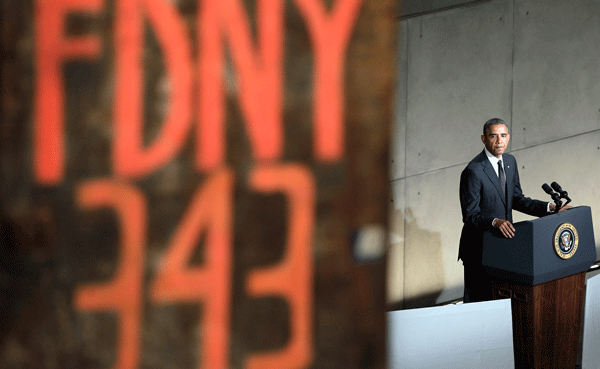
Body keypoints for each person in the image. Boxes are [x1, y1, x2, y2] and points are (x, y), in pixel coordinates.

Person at [458, 118, 569, 303]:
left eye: (503, 136)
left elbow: (517, 199)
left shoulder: (510, 161)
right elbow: (470, 216)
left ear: (508, 138)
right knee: (479, 303)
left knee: (500, 301)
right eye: (493, 136)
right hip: (478, 250)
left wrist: (551, 208)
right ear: (483, 139)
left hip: (503, 246)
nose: (499, 141)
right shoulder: (473, 171)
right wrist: (495, 222)